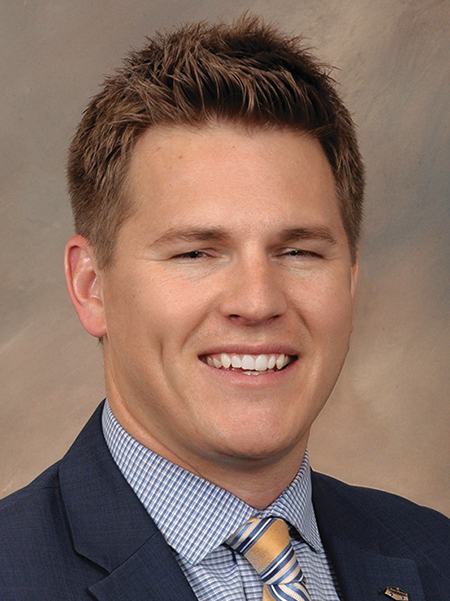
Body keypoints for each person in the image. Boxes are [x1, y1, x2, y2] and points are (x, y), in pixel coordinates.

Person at [0, 15, 449, 601]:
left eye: (298, 251)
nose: (257, 302)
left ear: (352, 277)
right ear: (92, 287)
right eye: (195, 252)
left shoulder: (434, 555)